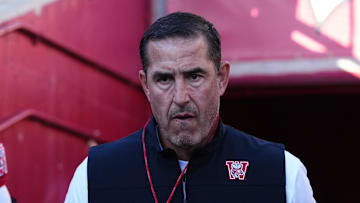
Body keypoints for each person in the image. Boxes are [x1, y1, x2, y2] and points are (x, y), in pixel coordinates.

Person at [65, 12, 316, 203]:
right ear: (146, 86)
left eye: (194, 76)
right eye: (164, 79)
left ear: (221, 78)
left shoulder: (281, 171)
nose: (181, 97)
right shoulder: (94, 175)